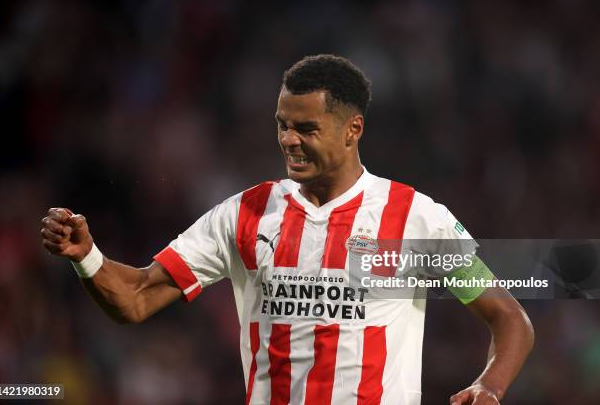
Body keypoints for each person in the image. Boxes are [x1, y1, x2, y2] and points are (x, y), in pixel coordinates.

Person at [41, 54, 534, 405]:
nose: (289, 140)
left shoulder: (415, 217)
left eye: (306, 129)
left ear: (353, 129)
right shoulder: (246, 214)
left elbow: (509, 318)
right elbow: (136, 298)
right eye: (282, 125)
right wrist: (87, 258)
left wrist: (488, 387)